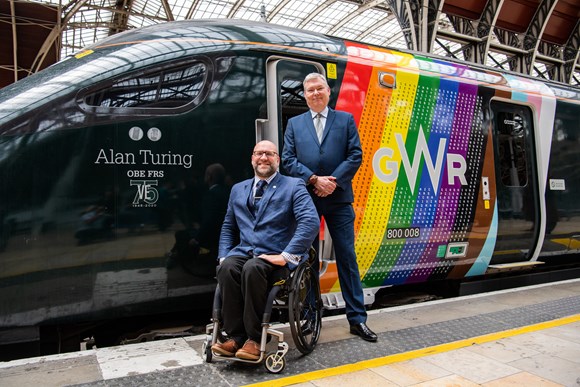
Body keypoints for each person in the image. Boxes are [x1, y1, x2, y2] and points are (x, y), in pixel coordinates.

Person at [282, 73, 377, 342]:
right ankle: (311, 316)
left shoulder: (345, 120)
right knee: (308, 259)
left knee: (347, 258)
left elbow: (355, 155)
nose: (314, 93)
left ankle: (357, 319)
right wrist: (314, 179)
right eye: (309, 90)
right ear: (304, 94)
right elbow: (288, 159)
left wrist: (332, 182)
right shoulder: (294, 124)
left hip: (339, 199)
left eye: (319, 88)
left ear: (328, 91)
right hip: (308, 199)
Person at [211, 140, 319, 360]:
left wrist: (286, 255)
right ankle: (235, 337)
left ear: (277, 160)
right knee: (227, 268)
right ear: (252, 158)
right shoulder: (238, 189)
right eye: (259, 153)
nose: (263, 158)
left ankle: (254, 338)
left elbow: (310, 221)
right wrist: (223, 256)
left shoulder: (293, 185)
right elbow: (228, 226)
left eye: (269, 154)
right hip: (245, 253)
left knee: (252, 268)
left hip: (275, 259)